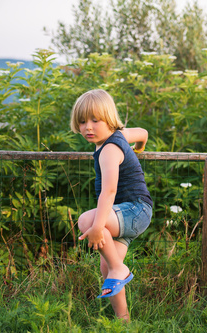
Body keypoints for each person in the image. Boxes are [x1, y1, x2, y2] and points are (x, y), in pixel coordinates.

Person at [70, 89, 153, 322]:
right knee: (107, 268)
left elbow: (109, 191)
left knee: (86, 220)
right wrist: (140, 147)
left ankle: (120, 269)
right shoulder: (119, 136)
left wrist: (96, 227)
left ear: (109, 119)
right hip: (125, 213)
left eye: (95, 121)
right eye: (83, 121)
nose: (88, 127)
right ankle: (123, 320)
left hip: (134, 210)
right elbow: (142, 133)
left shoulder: (109, 149)